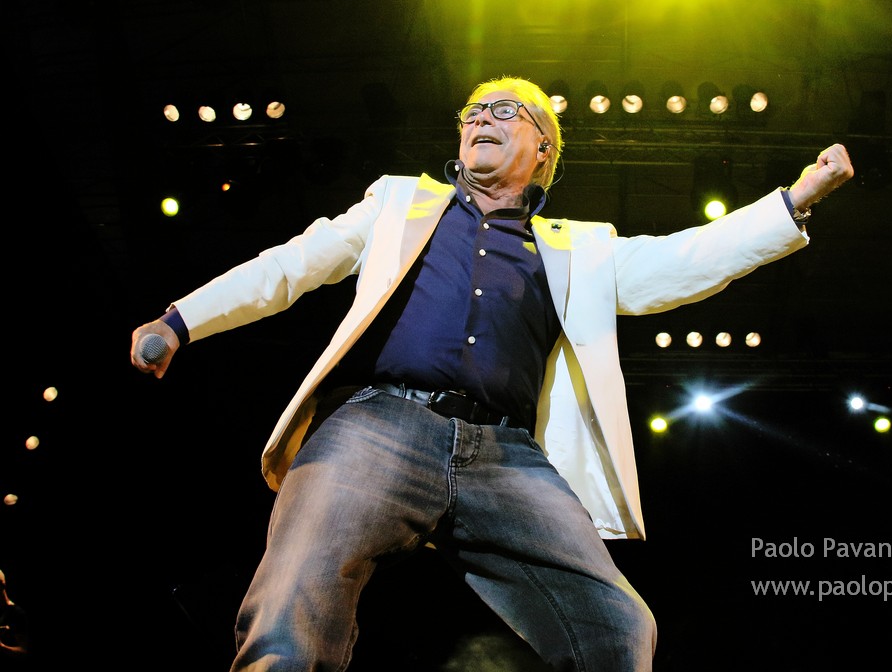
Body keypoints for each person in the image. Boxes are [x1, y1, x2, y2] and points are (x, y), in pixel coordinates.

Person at [130, 75, 854, 672]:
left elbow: (683, 261)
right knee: (295, 597)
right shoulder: (398, 203)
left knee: (618, 628)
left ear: (543, 148)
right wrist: (180, 320)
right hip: (381, 425)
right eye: (473, 111)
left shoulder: (577, 249)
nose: (481, 117)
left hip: (506, 457)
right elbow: (291, 264)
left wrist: (794, 201)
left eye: (505, 110)